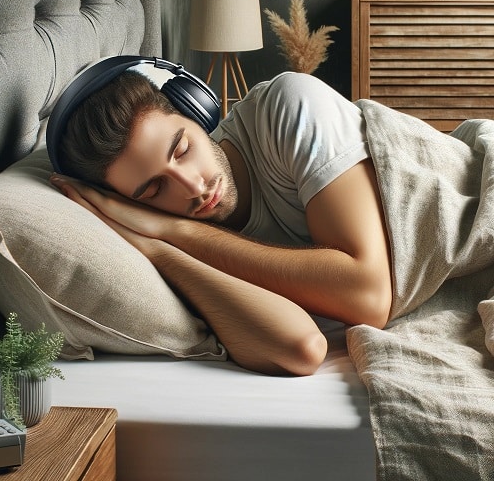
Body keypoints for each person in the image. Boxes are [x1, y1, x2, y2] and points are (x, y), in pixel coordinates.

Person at [49, 69, 392, 376]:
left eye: (182, 149)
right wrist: (155, 247)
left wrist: (177, 230)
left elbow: (368, 298)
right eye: (154, 188)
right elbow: (301, 348)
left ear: (195, 111)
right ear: (125, 202)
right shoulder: (156, 234)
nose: (194, 187)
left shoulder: (289, 106)